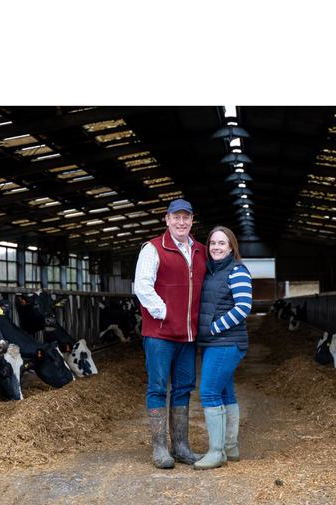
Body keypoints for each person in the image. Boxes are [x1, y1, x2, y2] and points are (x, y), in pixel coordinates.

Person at [134, 198, 207, 469]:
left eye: (186, 217)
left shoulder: (200, 250)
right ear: (166, 219)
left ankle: (181, 445)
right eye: (176, 217)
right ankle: (160, 448)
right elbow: (142, 286)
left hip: (188, 335)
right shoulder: (153, 249)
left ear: (192, 221)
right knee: (157, 387)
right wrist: (164, 312)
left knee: (184, 388)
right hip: (160, 334)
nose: (181, 222)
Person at [193, 226, 253, 470]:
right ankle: (230, 447)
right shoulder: (211, 271)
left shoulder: (237, 270)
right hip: (214, 343)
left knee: (208, 392)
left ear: (231, 247)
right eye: (213, 243)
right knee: (225, 393)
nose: (216, 247)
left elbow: (243, 307)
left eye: (222, 243)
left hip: (226, 342)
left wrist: (213, 328)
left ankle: (216, 452)